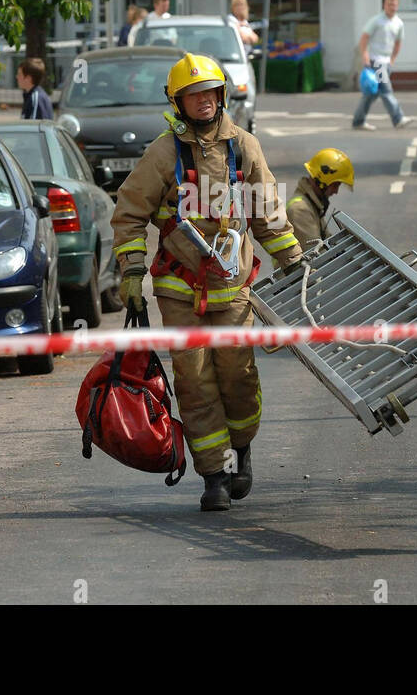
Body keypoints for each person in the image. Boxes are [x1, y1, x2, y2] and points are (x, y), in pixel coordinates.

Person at [111, 53, 303, 511]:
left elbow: (269, 216)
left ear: (222, 95)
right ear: (178, 102)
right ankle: (214, 475)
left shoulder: (245, 148)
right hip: (180, 292)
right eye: (194, 95)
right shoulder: (162, 154)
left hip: (234, 288)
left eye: (210, 93)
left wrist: (295, 264)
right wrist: (133, 272)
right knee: (195, 382)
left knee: (237, 376)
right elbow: (129, 214)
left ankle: (241, 451)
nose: (204, 102)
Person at [353, 0, 408, 130]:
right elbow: (364, 39)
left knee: (371, 94)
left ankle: (358, 121)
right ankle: (398, 118)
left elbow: (398, 43)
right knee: (386, 90)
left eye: (394, 5)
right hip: (376, 61)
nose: (392, 7)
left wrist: (392, 60)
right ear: (384, 5)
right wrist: (365, 56)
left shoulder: (399, 23)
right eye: (389, 4)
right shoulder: (376, 21)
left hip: (386, 62)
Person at [286, 148, 353, 247]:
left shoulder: (312, 204)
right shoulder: (300, 210)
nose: (336, 191)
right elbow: (317, 254)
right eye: (335, 185)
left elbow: (327, 242)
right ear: (321, 181)